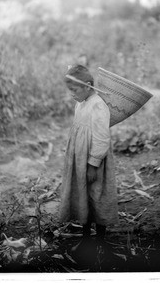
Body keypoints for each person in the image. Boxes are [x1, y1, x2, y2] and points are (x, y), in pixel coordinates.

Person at [59, 64, 119, 260]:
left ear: (87, 86)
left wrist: (93, 164)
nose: (72, 95)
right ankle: (86, 238)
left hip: (94, 159)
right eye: (70, 91)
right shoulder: (81, 103)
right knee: (83, 195)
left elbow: (102, 137)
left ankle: (101, 242)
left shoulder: (98, 105)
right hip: (80, 159)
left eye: (74, 90)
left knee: (97, 195)